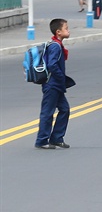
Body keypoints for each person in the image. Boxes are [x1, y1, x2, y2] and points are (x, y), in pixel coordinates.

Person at [35, 18, 75, 149]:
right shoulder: (55, 46)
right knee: (47, 112)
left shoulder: (57, 45)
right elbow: (52, 64)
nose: (69, 31)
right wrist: (61, 78)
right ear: (58, 32)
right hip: (52, 85)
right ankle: (42, 141)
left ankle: (56, 138)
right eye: (66, 28)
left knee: (64, 109)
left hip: (56, 85)